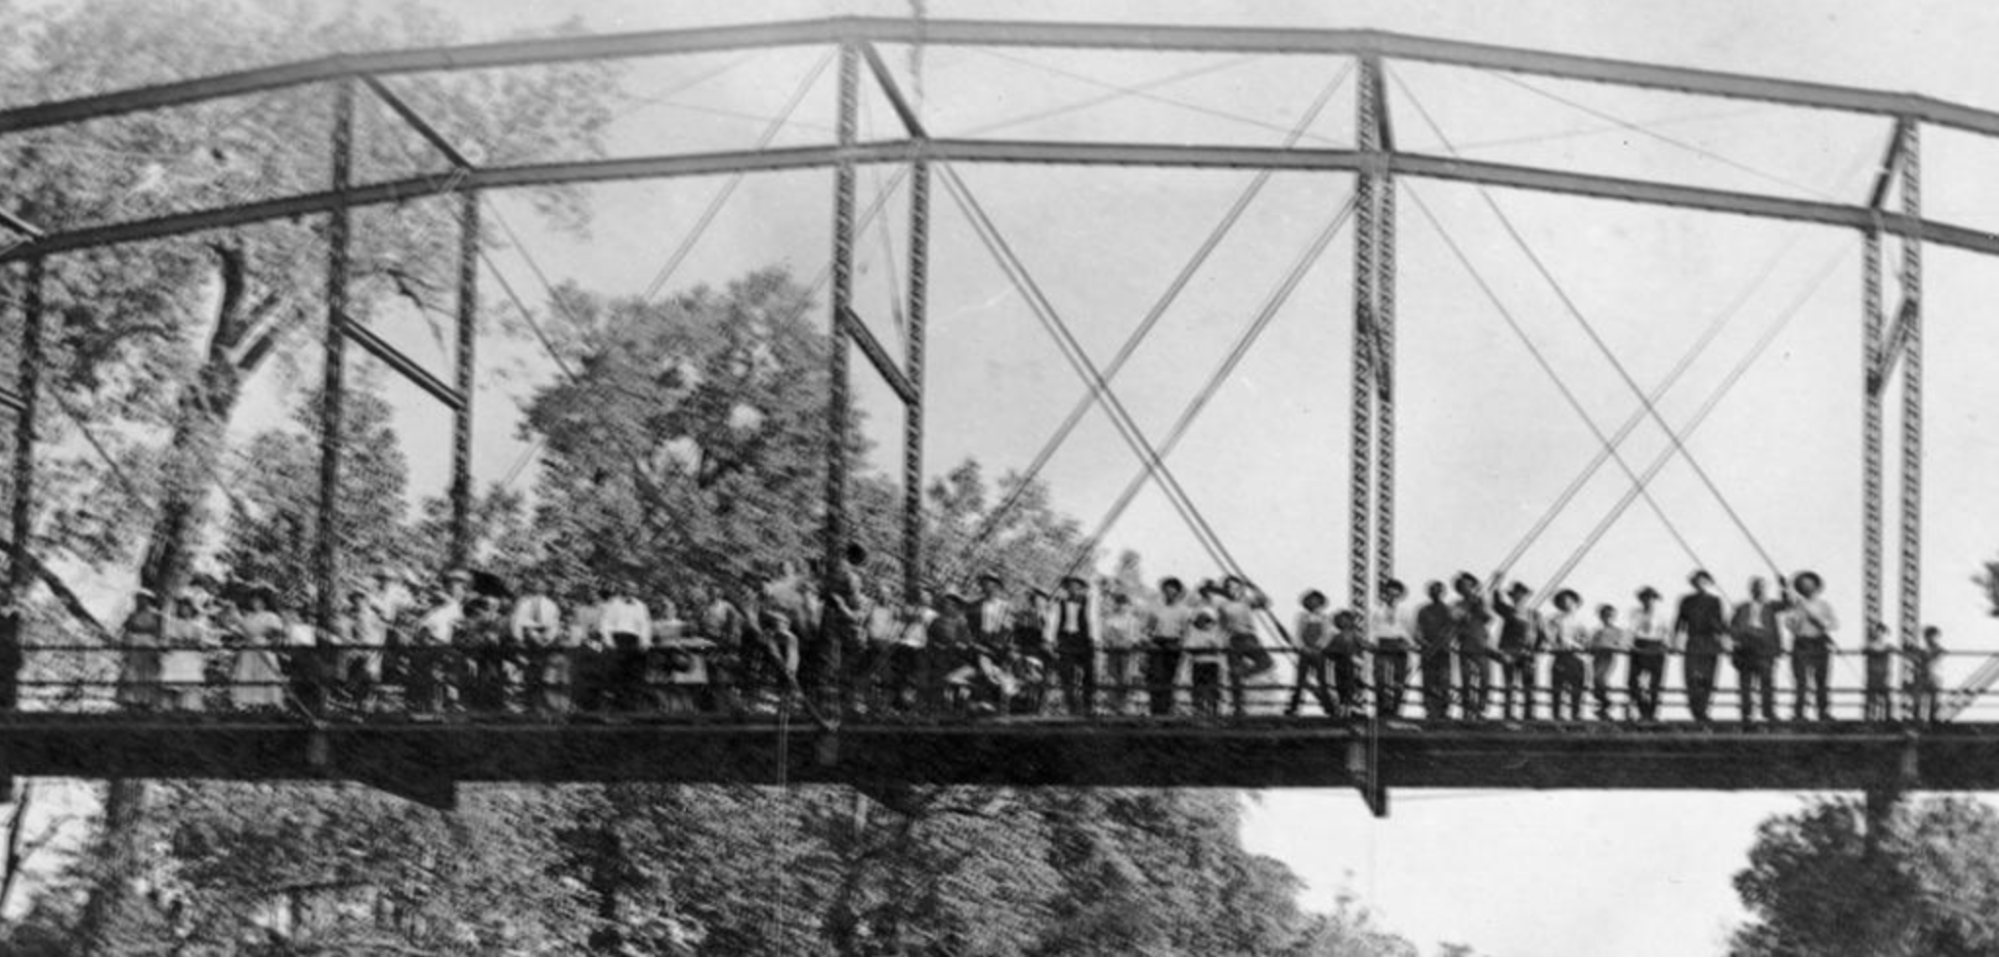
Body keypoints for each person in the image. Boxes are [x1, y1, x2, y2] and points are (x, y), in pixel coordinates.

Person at [1674, 570, 1730, 724]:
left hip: (1710, 642)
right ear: (1693, 583)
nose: (1700, 583)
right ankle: (1696, 711)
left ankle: (1703, 711)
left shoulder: (1715, 601)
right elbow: (1679, 622)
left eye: (1704, 581)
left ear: (1708, 583)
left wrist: (1724, 639)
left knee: (1708, 679)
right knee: (1691, 678)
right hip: (1693, 641)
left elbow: (1721, 624)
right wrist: (1676, 641)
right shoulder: (1686, 600)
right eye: (1697, 581)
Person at [1730, 576, 1784, 725]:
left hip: (1764, 648)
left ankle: (1768, 712)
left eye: (1762, 587)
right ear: (1751, 590)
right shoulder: (1742, 607)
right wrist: (1738, 639)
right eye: (1757, 587)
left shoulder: (1770, 606)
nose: (1760, 590)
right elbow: (1732, 627)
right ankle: (1746, 713)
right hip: (1746, 647)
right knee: (1745, 683)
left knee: (1767, 681)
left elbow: (1788, 604)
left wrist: (1784, 588)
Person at [1784, 571, 1837, 722]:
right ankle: (1799, 713)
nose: (1807, 588)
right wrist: (1796, 618)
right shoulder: (1797, 605)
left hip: (1819, 643)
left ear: (1816, 587)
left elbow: (1833, 624)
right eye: (1803, 586)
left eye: (1810, 585)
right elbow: (1790, 625)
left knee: (1821, 680)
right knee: (1801, 681)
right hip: (1802, 644)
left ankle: (1823, 712)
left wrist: (1819, 620)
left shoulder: (1824, 605)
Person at [1219, 577, 1273, 717]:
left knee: (1266, 662)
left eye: (1236, 587)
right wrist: (1224, 641)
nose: (1233, 591)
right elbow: (1222, 626)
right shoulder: (1223, 605)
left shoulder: (1246, 602)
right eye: (1229, 588)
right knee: (1234, 676)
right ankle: (1238, 708)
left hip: (1249, 637)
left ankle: (1243, 673)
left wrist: (1252, 586)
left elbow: (1265, 602)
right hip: (1233, 639)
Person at [597, 579, 653, 713]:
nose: (630, 591)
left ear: (636, 591)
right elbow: (605, 624)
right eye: (628, 588)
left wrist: (645, 641)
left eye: (633, 588)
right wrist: (609, 642)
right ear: (623, 589)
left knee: (635, 675)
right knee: (616, 675)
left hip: (635, 641)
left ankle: (632, 709)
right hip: (618, 640)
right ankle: (616, 709)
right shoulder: (614, 604)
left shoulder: (641, 606)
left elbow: (646, 626)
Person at [512, 577, 565, 715]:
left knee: (543, 672)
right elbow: (518, 621)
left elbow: (555, 623)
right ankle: (528, 702)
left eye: (542, 586)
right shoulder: (525, 604)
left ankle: (541, 703)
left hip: (545, 639)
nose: (539, 588)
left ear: (546, 589)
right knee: (529, 671)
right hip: (529, 637)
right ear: (533, 587)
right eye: (536, 585)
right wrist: (519, 639)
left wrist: (547, 638)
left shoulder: (552, 605)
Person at [230, 586, 288, 711]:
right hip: (249, 651)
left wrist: (238, 619)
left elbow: (276, 633)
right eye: (253, 600)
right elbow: (243, 631)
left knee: (264, 676)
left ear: (264, 601)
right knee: (248, 676)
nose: (254, 602)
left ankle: (267, 706)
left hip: (262, 650)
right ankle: (250, 706)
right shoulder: (250, 616)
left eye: (257, 600)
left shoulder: (270, 616)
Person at [1491, 581, 1543, 721]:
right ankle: (1508, 713)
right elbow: (1496, 605)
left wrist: (1535, 650)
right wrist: (1496, 587)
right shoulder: (1508, 611)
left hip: (1527, 654)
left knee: (1529, 684)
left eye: (1522, 595)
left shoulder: (1534, 615)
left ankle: (1529, 713)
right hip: (1509, 651)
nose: (1519, 597)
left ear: (1527, 597)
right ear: (1512, 597)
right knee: (1509, 684)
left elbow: (1541, 634)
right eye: (1516, 595)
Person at [1141, 577, 1192, 716]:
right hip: (1157, 643)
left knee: (1169, 678)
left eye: (1173, 589)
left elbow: (1187, 631)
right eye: (1167, 589)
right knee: (1155, 677)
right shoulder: (1156, 608)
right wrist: (1149, 641)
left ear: (1178, 592)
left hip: (1173, 644)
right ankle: (1155, 711)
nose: (1169, 592)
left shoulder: (1185, 610)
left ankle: (1166, 712)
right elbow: (1147, 628)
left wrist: (1181, 645)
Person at [1285, 589, 1338, 717]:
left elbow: (1327, 635)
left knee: (1322, 681)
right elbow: (1297, 634)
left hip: (1318, 653)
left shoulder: (1325, 618)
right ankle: (1294, 708)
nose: (1313, 604)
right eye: (1310, 601)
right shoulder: (1301, 617)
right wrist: (1302, 647)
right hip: (1304, 652)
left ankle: (1329, 708)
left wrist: (1319, 647)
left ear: (1321, 603)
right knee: (1300, 681)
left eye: (1316, 601)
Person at [1050, 576, 1097, 717]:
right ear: (1066, 589)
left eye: (1076, 587)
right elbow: (1053, 622)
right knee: (1066, 673)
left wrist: (1094, 639)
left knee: (1089, 674)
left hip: (1083, 639)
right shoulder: (1060, 603)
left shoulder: (1088, 602)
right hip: (1066, 639)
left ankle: (1088, 706)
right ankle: (1073, 707)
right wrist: (1050, 639)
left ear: (1081, 589)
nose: (1073, 589)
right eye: (1070, 586)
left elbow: (1093, 620)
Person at [1371, 580, 1417, 719]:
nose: (1391, 597)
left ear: (1400, 595)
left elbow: (1410, 630)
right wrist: (1372, 643)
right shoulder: (1376, 610)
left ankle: (1396, 711)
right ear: (1384, 594)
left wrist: (1410, 644)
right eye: (1388, 593)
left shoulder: (1406, 611)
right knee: (1381, 678)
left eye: (1395, 594)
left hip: (1400, 645)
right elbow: (1372, 629)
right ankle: (1381, 710)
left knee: (1399, 680)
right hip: (1383, 645)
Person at [159, 592, 211, 712]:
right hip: (177, 656)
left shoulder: (197, 626)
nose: (184, 610)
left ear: (191, 610)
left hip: (191, 657)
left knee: (190, 684)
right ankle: (171, 708)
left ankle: (189, 708)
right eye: (181, 608)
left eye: (187, 608)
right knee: (174, 684)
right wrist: (174, 643)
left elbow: (202, 642)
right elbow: (168, 639)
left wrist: (196, 644)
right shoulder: (174, 624)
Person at [115, 589, 166, 710]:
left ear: (148, 601)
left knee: (147, 676)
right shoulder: (131, 616)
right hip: (134, 649)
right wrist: (125, 648)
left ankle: (147, 701)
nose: (140, 602)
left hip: (149, 649)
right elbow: (125, 632)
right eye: (138, 599)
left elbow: (160, 634)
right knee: (132, 675)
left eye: (143, 599)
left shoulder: (156, 617)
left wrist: (158, 650)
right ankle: (131, 700)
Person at [1453, 573, 1493, 720]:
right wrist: (1466, 610)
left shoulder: (1479, 602)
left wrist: (1478, 604)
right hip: (1465, 644)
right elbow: (1455, 619)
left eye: (1470, 585)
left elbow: (1488, 618)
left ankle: (1481, 708)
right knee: (1466, 678)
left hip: (1481, 644)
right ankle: (1467, 709)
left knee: (1485, 677)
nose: (1467, 588)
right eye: (1463, 586)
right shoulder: (1457, 604)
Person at [1544, 589, 1588, 722]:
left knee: (1577, 688)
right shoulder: (1554, 619)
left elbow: (1585, 639)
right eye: (1562, 601)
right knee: (1558, 688)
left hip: (1577, 657)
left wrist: (1578, 645)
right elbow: (1550, 638)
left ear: (1575, 602)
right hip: (1561, 656)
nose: (1566, 603)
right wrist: (1558, 645)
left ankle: (1576, 714)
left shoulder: (1581, 621)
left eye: (1569, 600)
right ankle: (1557, 716)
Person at [1627, 586, 1670, 721]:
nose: (1648, 601)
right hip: (1640, 645)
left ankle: (1652, 713)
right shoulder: (1635, 613)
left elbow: (1666, 632)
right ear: (1641, 600)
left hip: (1656, 646)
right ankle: (1641, 711)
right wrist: (1631, 645)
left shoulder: (1662, 614)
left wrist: (1666, 646)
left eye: (1651, 598)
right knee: (1634, 681)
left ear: (1655, 600)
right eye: (1645, 598)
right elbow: (1630, 630)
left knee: (1655, 682)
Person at [1184, 584, 1227, 717]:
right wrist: (1205, 647)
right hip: (1198, 663)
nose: (1205, 622)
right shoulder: (1194, 632)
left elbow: (1219, 647)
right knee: (1198, 687)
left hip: (1212, 663)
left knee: (1213, 687)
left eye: (1207, 620)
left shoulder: (1216, 632)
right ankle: (1198, 710)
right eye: (1202, 620)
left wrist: (1206, 647)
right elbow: (1189, 647)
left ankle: (1214, 710)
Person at [1415, 581, 1456, 721]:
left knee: (1444, 680)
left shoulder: (1448, 610)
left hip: (1443, 651)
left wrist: (1443, 643)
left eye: (1438, 591)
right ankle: (1430, 710)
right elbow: (1418, 631)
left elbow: (1452, 631)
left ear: (1442, 593)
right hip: (1427, 651)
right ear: (1429, 593)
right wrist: (1425, 644)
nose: (1435, 593)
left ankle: (1443, 710)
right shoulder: (1423, 610)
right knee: (1428, 680)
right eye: (1433, 591)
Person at [1099, 592, 1141, 716]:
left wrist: (1128, 641)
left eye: (1124, 604)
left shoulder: (1133, 620)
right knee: (1112, 677)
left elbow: (1135, 637)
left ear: (1128, 605)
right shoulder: (1109, 619)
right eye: (1118, 603)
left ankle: (1125, 705)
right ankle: (1113, 705)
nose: (1121, 606)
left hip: (1127, 653)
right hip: (1113, 652)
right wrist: (1110, 640)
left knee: (1126, 678)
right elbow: (1105, 635)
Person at [1587, 604, 1626, 721]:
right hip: (1597, 655)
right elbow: (1591, 645)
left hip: (1607, 654)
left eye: (1610, 615)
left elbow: (1621, 644)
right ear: (1601, 617)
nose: (1607, 617)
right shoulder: (1597, 631)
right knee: (1594, 679)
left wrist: (1610, 645)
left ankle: (1606, 702)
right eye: (1604, 615)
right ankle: (1603, 705)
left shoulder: (1617, 631)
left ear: (1614, 617)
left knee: (1600, 677)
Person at [1328, 608, 1366, 719]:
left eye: (1346, 620)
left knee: (1355, 686)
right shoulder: (1337, 637)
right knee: (1341, 687)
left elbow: (1363, 644)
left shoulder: (1354, 636)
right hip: (1340, 664)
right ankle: (1343, 709)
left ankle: (1355, 708)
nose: (1344, 623)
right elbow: (1330, 650)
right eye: (1341, 620)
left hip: (1353, 665)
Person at [1907, 625, 1943, 725]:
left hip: (1932, 677)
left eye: (1932, 636)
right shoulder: (1924, 650)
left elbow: (1933, 660)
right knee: (1918, 697)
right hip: (1925, 677)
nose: (1930, 639)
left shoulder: (1937, 650)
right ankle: (1917, 718)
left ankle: (1931, 719)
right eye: (1928, 636)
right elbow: (1917, 659)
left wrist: (1920, 658)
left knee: (1933, 699)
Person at [1863, 620, 1894, 723]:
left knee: (1885, 700)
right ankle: (1870, 719)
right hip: (1873, 676)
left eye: (1882, 632)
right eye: (1879, 632)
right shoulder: (1871, 646)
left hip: (1883, 676)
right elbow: (1865, 650)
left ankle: (1885, 719)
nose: (1880, 634)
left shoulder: (1886, 646)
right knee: (1872, 700)